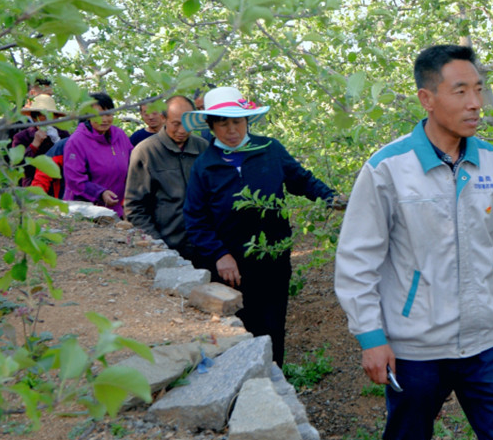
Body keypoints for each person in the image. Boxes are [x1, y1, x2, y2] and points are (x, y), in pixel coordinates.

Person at [334, 45, 493, 440]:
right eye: (460, 91)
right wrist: (370, 336)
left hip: (488, 344)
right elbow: (357, 260)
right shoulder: (387, 169)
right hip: (415, 348)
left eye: (479, 90)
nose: (475, 104)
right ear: (426, 99)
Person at [182, 86, 339, 367]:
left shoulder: (270, 150)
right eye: (223, 123)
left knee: (273, 323)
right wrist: (219, 254)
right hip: (231, 267)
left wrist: (331, 198)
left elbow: (301, 180)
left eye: (237, 122)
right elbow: (195, 218)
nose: (231, 130)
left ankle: (274, 382)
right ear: (211, 126)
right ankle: (241, 382)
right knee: (241, 326)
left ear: (247, 122)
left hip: (273, 257)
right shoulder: (205, 166)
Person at [125, 96, 209, 258]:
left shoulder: (203, 148)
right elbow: (134, 208)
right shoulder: (146, 152)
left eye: (187, 124)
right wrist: (156, 244)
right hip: (166, 246)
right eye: (176, 124)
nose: (182, 130)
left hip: (204, 244)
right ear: (163, 118)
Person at [63, 93, 133, 217]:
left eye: (108, 114)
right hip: (84, 212)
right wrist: (100, 193)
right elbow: (75, 180)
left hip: (114, 210)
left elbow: (133, 165)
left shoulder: (120, 136)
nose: (104, 120)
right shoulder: (77, 141)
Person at [11, 95, 70, 187]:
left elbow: (71, 160)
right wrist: (34, 144)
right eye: (44, 115)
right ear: (35, 117)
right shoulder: (22, 137)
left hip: (59, 187)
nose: (48, 118)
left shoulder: (63, 134)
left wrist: (58, 143)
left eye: (52, 115)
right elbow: (19, 166)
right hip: (34, 186)